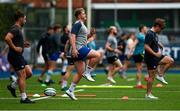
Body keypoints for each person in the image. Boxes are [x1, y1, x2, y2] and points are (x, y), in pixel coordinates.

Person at [65, 8, 101, 100]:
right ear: (79, 15)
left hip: (78, 48)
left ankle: (70, 90)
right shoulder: (77, 24)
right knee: (97, 55)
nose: (85, 15)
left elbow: (82, 37)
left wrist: (90, 35)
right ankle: (88, 72)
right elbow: (72, 37)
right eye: (83, 13)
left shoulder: (81, 24)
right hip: (78, 48)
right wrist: (73, 49)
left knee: (80, 73)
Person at [5, 10, 34, 103]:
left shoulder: (18, 29)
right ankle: (23, 98)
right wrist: (15, 48)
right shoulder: (15, 29)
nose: (25, 21)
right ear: (20, 19)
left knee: (29, 73)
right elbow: (7, 38)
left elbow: (14, 40)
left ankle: (13, 86)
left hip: (18, 55)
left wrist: (22, 44)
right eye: (24, 19)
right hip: (15, 55)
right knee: (22, 75)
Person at [144, 18, 174, 99]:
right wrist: (154, 53)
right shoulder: (150, 33)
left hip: (156, 56)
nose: (161, 30)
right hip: (151, 57)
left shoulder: (154, 33)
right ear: (157, 26)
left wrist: (159, 44)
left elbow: (153, 42)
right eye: (161, 28)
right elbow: (146, 46)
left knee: (170, 61)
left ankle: (160, 75)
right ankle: (148, 94)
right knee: (151, 77)